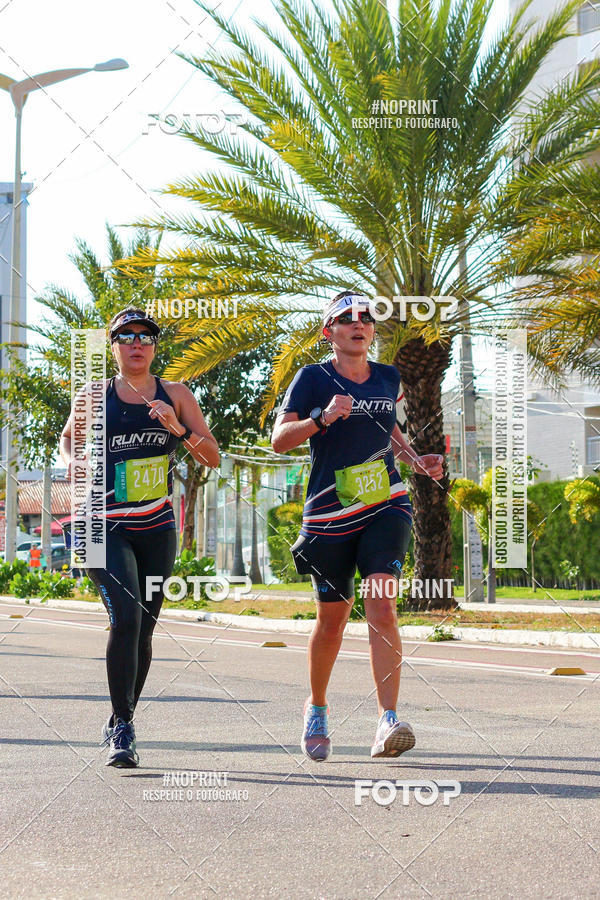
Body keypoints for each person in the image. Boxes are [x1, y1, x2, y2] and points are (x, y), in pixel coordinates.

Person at [271, 291, 443, 761]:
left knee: (382, 604)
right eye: (346, 318)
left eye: (365, 317)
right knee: (332, 620)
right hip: (330, 513)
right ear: (328, 332)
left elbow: (389, 430)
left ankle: (388, 720)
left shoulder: (388, 377)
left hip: (385, 502)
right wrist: (321, 418)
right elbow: (279, 441)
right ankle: (317, 707)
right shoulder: (312, 378)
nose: (358, 323)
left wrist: (415, 460)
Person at [60, 308, 219, 767]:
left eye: (145, 336)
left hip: (155, 526)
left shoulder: (177, 394)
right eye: (126, 336)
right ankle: (124, 728)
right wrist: (74, 461)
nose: (136, 343)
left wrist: (178, 429)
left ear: (154, 347)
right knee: (126, 619)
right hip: (100, 524)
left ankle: (119, 717)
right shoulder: (95, 394)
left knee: (144, 630)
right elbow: (68, 440)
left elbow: (211, 456)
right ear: (113, 346)